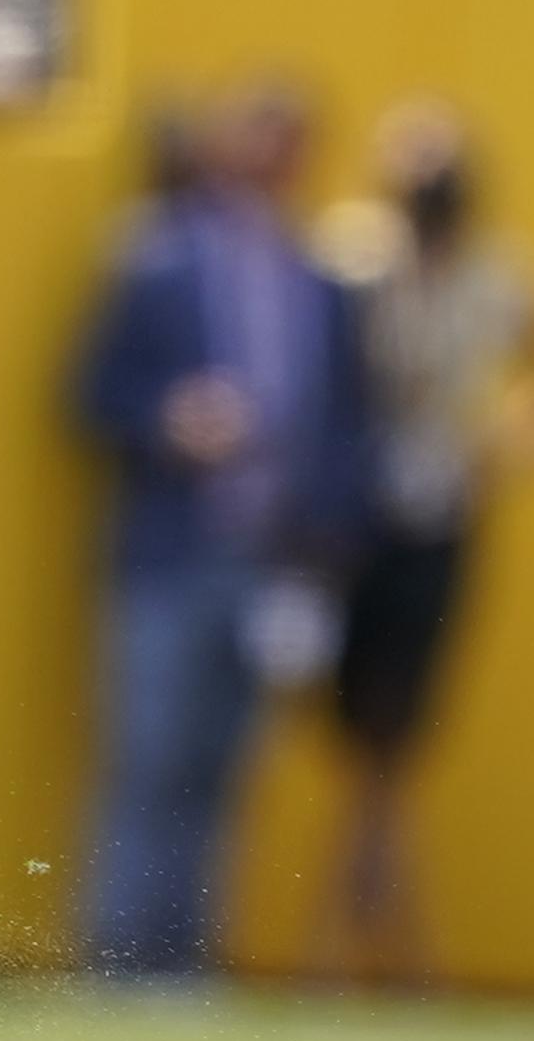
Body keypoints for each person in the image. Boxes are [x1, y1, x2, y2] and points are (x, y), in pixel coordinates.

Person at [65, 79, 371, 980]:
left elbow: (343, 428)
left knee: (223, 771)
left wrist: (323, 560)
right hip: (169, 554)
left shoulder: (319, 280)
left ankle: (185, 964)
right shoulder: (157, 258)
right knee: (147, 758)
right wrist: (171, 418)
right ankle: (119, 961)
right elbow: (90, 392)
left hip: (268, 560)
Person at [305, 102, 534, 986]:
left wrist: (498, 456)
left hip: (437, 521)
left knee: (394, 739)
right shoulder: (349, 257)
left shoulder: (500, 278)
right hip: (350, 518)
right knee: (354, 738)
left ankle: (344, 945)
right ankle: (382, 944)